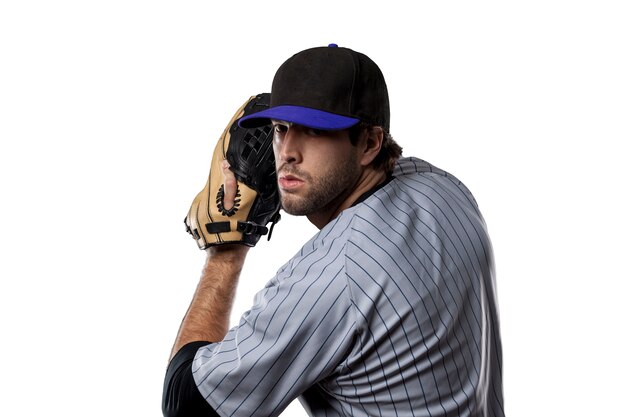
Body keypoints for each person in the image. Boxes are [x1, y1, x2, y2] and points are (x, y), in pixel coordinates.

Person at [162, 44, 505, 417]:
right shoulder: (446, 189)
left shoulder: (334, 274)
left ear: (370, 143)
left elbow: (188, 406)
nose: (287, 152)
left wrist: (226, 252)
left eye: (314, 130)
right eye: (281, 129)